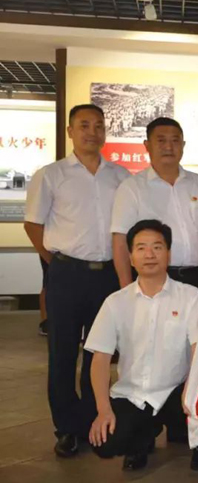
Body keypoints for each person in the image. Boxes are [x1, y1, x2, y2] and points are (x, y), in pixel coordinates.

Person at [24, 104, 130, 458]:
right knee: (63, 353)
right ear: (70, 131)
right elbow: (33, 224)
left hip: (107, 276)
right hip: (67, 274)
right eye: (84, 125)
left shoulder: (120, 176)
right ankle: (67, 428)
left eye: (99, 126)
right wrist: (55, 262)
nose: (92, 132)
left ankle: (91, 421)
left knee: (99, 352)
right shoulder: (51, 174)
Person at [85, 220, 198, 481]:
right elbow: (100, 359)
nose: (149, 254)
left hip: (176, 391)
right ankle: (139, 441)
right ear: (131, 257)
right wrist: (103, 409)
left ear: (168, 254)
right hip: (133, 393)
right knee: (105, 444)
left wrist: (191, 391)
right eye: (141, 248)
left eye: (157, 247)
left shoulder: (190, 296)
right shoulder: (115, 302)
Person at [111, 118, 198, 294]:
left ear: (183, 145)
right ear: (147, 145)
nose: (169, 146)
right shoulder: (132, 188)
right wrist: (127, 291)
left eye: (175, 140)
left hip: (197, 277)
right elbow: (120, 242)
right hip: (153, 279)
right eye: (161, 140)